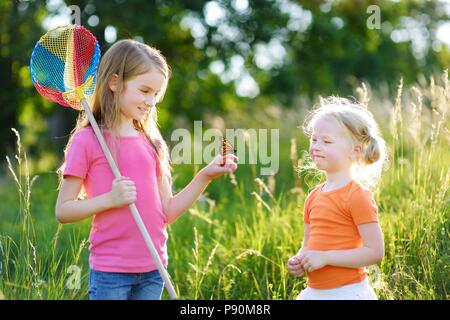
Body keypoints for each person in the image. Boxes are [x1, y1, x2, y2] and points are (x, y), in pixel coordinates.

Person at [55, 39, 238, 300]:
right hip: (111, 272)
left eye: (156, 94)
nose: (151, 101)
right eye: (144, 90)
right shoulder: (87, 140)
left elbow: (168, 211)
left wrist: (204, 176)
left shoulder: (152, 142)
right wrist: (110, 200)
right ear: (115, 82)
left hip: (154, 269)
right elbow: (63, 211)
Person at [288, 97, 387, 300]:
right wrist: (300, 258)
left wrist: (325, 258)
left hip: (347, 292)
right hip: (314, 294)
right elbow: (308, 244)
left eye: (326, 141)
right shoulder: (313, 197)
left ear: (355, 150)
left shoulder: (357, 197)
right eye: (314, 139)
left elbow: (375, 252)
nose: (316, 146)